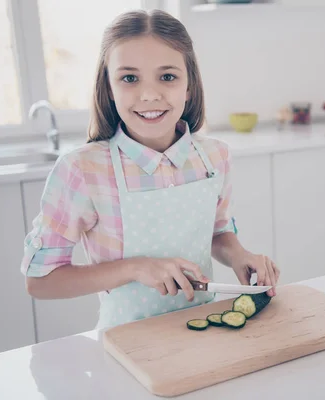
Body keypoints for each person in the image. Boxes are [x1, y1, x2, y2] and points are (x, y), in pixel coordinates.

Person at [20, 9, 279, 330]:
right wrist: (135, 268)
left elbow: (218, 232)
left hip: (202, 332)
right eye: (129, 78)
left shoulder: (216, 157)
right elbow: (40, 282)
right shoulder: (82, 170)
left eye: (167, 76)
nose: (149, 94)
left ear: (189, 86)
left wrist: (240, 255)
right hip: (126, 343)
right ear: (109, 87)